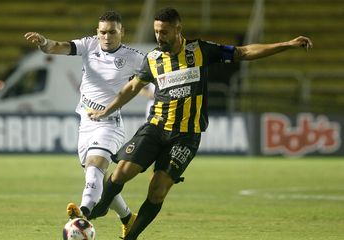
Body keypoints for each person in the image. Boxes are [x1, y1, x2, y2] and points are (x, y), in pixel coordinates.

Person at [87, 7, 313, 240]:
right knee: (122, 171)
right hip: (156, 127)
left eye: (164, 32)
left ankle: (130, 237)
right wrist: (106, 110)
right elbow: (133, 87)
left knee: (157, 191)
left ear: (178, 29)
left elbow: (244, 52)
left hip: (186, 135)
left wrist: (286, 44)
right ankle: (101, 207)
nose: (159, 37)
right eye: (156, 32)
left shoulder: (201, 50)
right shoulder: (153, 59)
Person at [24, 11, 144, 238]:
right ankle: (128, 218)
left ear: (122, 32)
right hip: (86, 124)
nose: (106, 37)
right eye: (102, 32)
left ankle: (83, 214)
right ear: (96, 32)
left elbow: (156, 74)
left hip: (110, 124)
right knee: (97, 175)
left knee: (94, 168)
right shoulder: (89, 45)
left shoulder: (134, 58)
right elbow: (56, 47)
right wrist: (43, 42)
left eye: (112, 32)